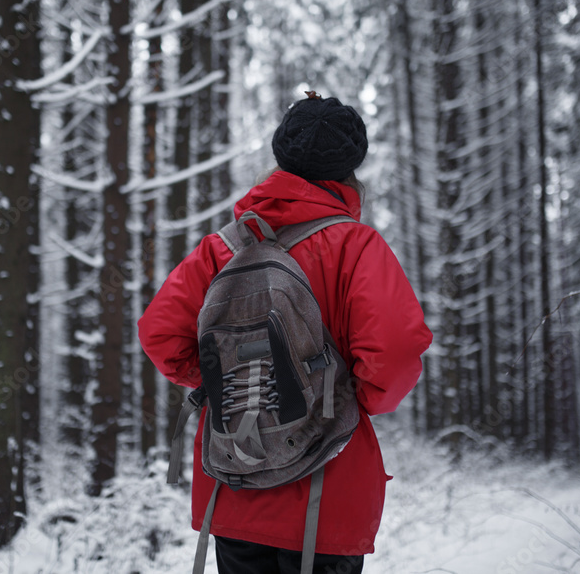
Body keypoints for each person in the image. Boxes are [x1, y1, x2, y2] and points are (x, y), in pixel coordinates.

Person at [138, 92, 432, 573]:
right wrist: (349, 398)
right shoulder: (356, 246)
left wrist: (228, 381)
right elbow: (395, 353)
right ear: (349, 170)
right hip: (328, 486)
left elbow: (160, 334)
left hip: (237, 481)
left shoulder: (222, 248)